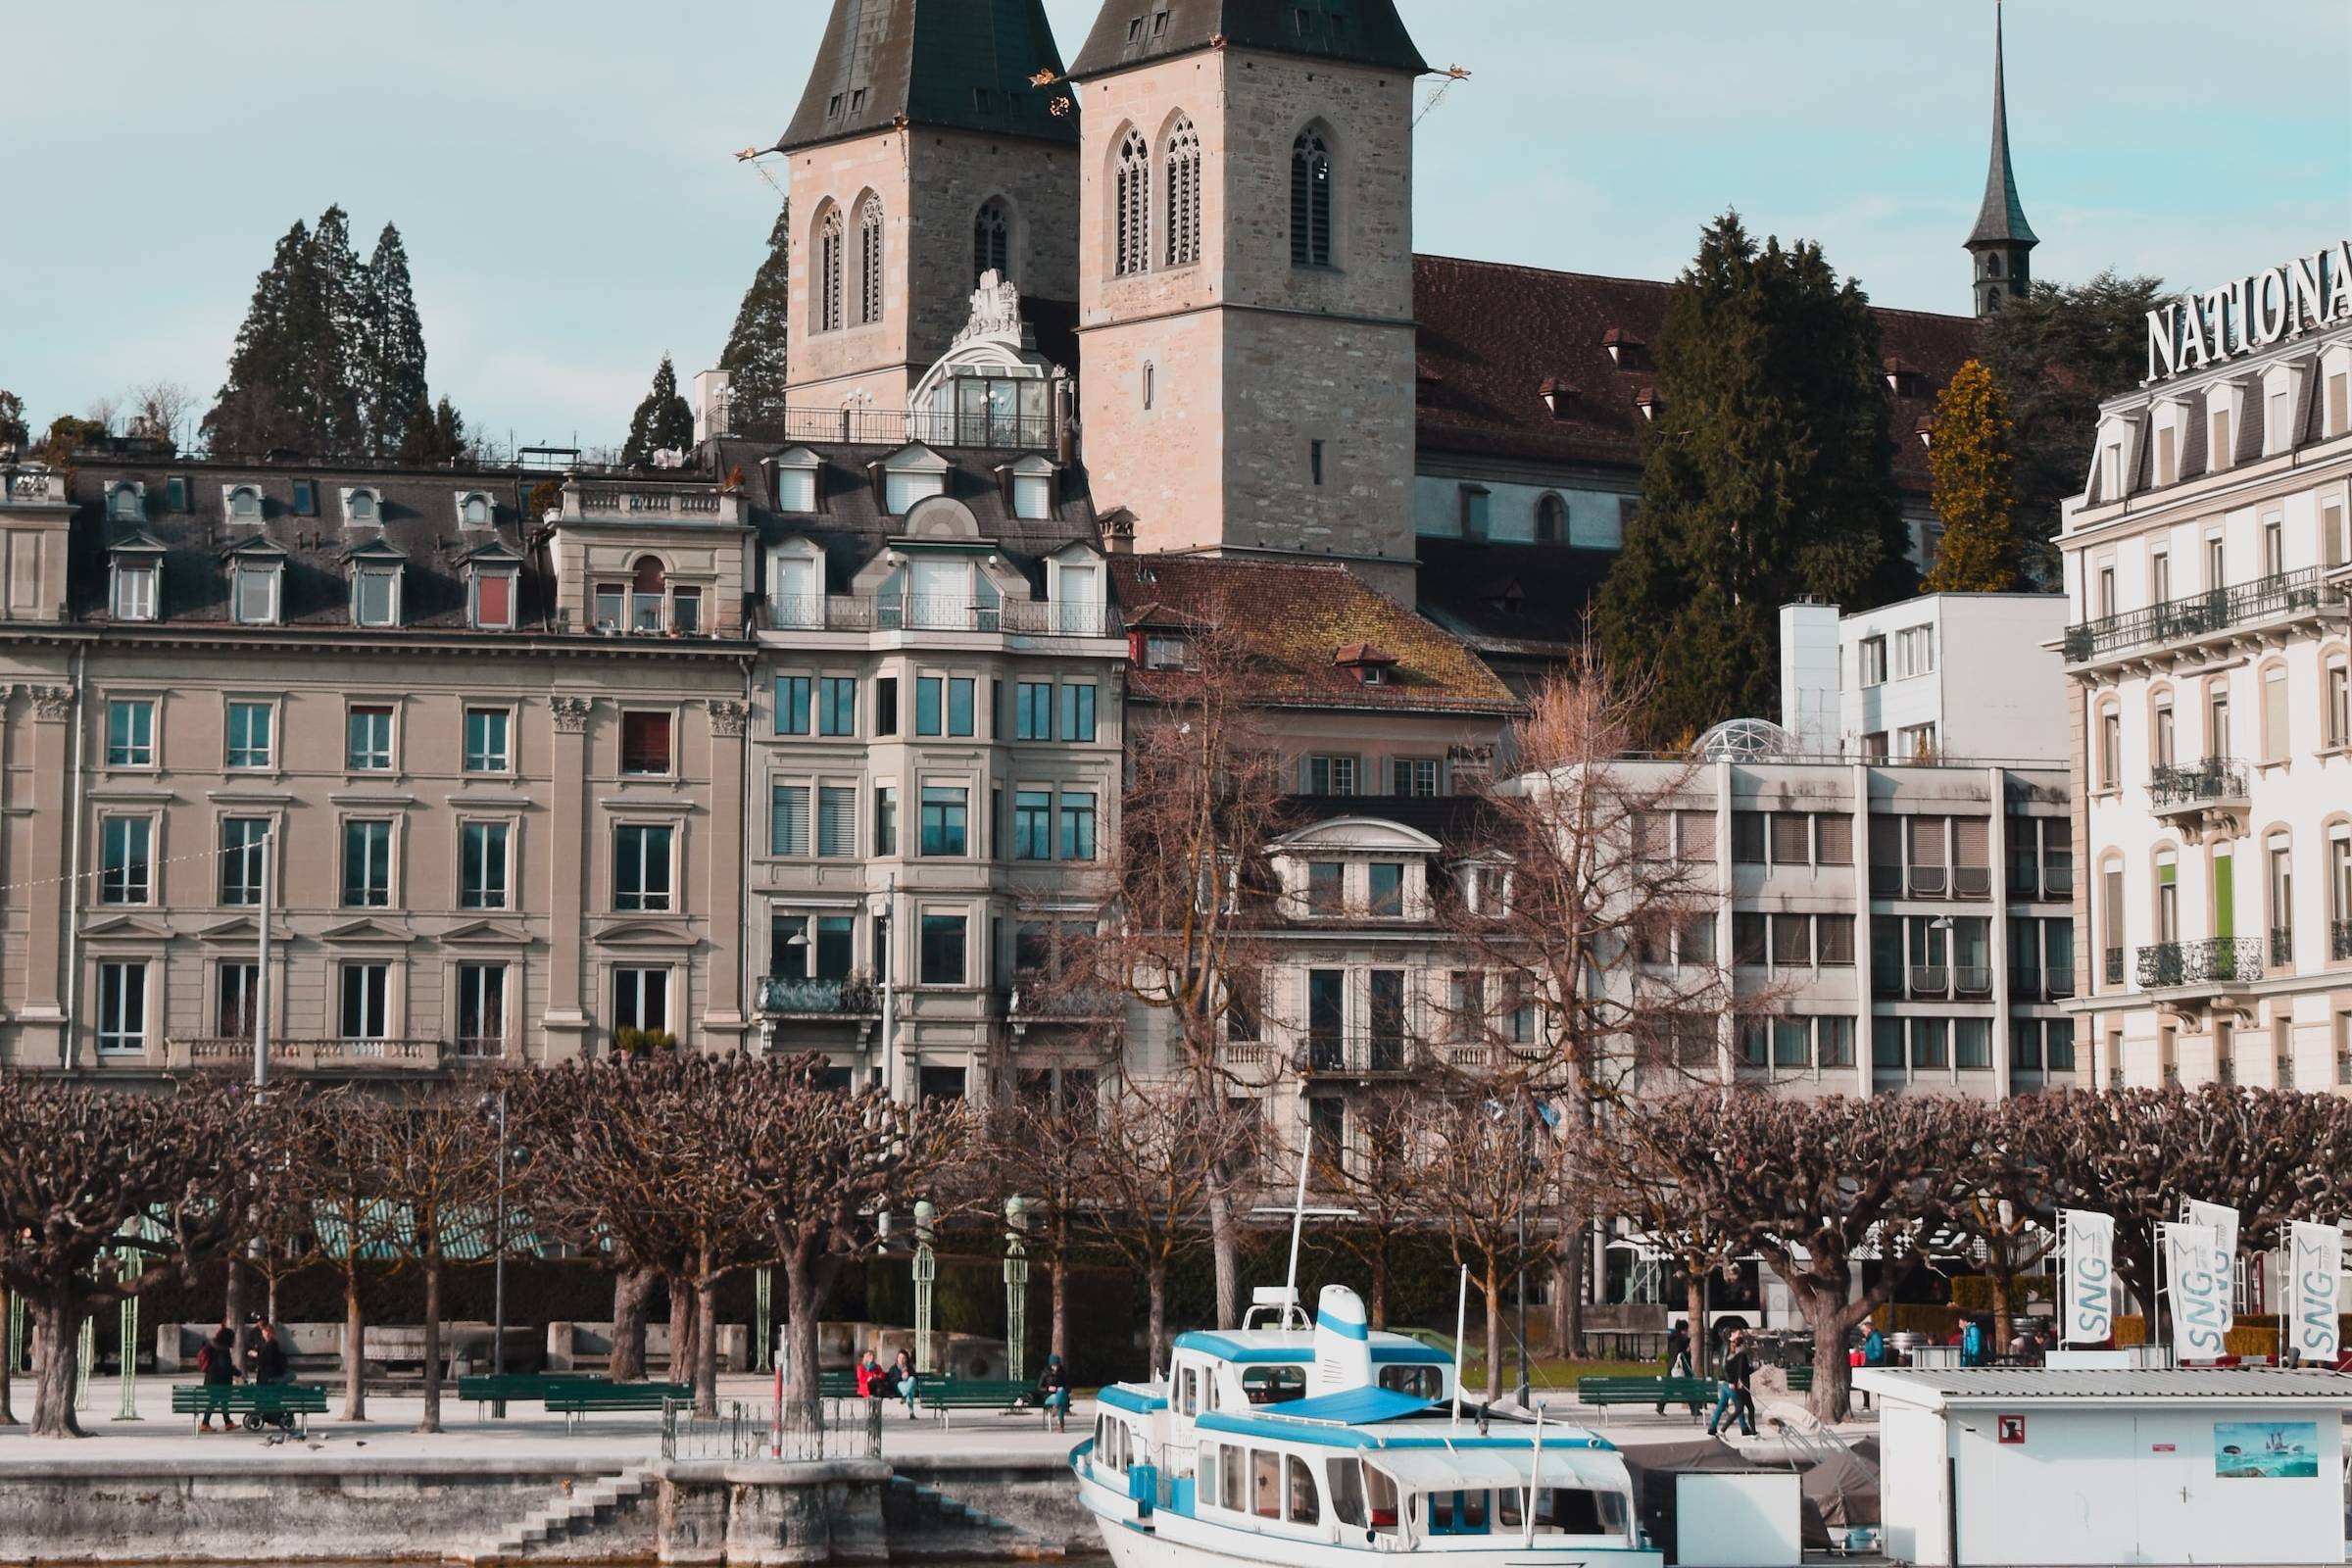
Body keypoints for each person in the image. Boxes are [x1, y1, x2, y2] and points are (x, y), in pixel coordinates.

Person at [1706, 1331, 1756, 1439]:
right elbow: (1727, 1366)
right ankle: (1743, 1428)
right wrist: (1731, 1381)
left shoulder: (1725, 1346)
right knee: (1739, 1406)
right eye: (1736, 1334)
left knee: (1721, 1405)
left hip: (1724, 1381)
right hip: (1729, 1382)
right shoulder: (1729, 1349)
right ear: (1731, 1337)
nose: (1739, 1335)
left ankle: (1712, 1427)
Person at [194, 1324, 237, 1434]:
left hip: (212, 1380)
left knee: (222, 1402)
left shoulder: (214, 1346)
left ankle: (228, 1423)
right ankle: (205, 1424)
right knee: (214, 1402)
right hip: (219, 1382)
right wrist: (237, 1372)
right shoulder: (223, 1350)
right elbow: (225, 1366)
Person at [1655, 1322, 1698, 1417]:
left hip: (1672, 1367)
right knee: (1688, 1389)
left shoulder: (1672, 1339)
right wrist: (1687, 1345)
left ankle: (1660, 1405)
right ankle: (1694, 1409)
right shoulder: (1681, 1340)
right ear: (1683, 1330)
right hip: (1679, 1369)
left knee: (1671, 1389)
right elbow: (1683, 1354)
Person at [1035, 1353, 1071, 1433]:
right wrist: (1048, 1388)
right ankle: (1061, 1426)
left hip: (1061, 1395)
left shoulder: (1062, 1373)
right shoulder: (1045, 1373)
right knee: (1060, 1402)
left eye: (1057, 1365)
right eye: (1054, 1365)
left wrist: (1062, 1390)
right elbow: (1039, 1388)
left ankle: (1056, 1407)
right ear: (1050, 1365)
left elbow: (1068, 1387)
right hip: (1049, 1396)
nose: (1056, 1367)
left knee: (1060, 1393)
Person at [891, 1348, 919, 1419]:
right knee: (910, 1390)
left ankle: (904, 1395)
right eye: (899, 1358)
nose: (901, 1360)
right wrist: (901, 1377)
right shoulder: (894, 1368)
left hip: (911, 1385)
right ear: (897, 1358)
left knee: (911, 1379)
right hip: (901, 1387)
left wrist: (908, 1375)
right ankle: (911, 1413)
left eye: (903, 1358)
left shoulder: (910, 1368)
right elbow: (891, 1380)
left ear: (906, 1359)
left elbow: (915, 1378)